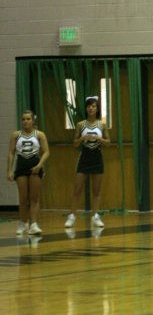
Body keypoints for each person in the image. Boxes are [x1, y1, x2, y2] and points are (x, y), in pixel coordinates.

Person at [65, 96, 110, 229]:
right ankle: (72, 216)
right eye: (89, 106)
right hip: (84, 158)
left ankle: (95, 216)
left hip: (97, 158)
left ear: (97, 109)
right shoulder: (80, 124)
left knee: (96, 191)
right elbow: (74, 143)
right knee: (77, 190)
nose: (91, 108)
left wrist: (99, 139)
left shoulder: (102, 125)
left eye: (94, 106)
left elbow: (108, 142)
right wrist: (82, 138)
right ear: (86, 109)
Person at [7, 110, 50, 236]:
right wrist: (9, 170)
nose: (25, 121)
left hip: (35, 166)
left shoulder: (39, 134)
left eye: (28, 119)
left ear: (33, 121)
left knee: (34, 198)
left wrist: (39, 165)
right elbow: (11, 153)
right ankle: (23, 223)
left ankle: (34, 224)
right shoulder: (16, 135)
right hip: (21, 166)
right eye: (23, 119)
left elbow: (46, 151)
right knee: (23, 198)